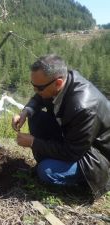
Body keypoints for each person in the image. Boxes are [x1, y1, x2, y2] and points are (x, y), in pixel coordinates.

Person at [12, 54, 110, 199]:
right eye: (33, 85)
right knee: (35, 117)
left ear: (58, 83)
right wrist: (26, 111)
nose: (35, 91)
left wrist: (33, 142)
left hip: (95, 155)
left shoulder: (83, 107)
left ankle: (82, 182)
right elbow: (39, 97)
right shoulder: (61, 81)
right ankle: (48, 159)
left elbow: (72, 152)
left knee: (46, 172)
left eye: (38, 87)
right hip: (73, 137)